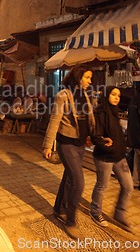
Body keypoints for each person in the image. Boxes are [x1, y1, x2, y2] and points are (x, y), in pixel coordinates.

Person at [42, 65, 95, 239]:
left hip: (80, 144)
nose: (90, 81)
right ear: (78, 77)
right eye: (87, 77)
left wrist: (93, 136)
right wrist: (48, 145)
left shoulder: (86, 95)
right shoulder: (62, 96)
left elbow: (88, 118)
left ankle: (58, 209)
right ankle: (71, 221)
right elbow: (54, 120)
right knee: (78, 183)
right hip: (67, 144)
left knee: (69, 178)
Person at [90, 86, 134, 232]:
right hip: (105, 156)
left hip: (119, 156)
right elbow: (95, 135)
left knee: (128, 186)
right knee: (102, 186)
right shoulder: (101, 112)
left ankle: (120, 214)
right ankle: (95, 212)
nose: (116, 97)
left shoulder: (116, 112)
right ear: (107, 95)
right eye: (113, 94)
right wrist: (105, 145)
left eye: (118, 95)